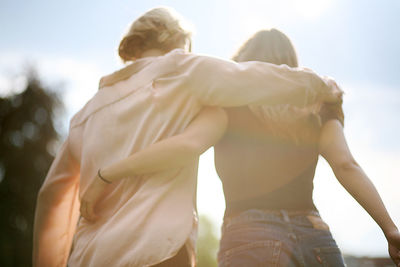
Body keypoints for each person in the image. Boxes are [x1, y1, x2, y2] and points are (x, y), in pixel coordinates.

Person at [32, 7, 342, 267]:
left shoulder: (85, 115)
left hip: (91, 256)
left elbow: (52, 198)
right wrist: (322, 85)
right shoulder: (183, 70)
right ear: (179, 40)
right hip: (157, 251)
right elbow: (257, 78)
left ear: (133, 47)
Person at [213, 29, 400, 266]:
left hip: (251, 233)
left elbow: (190, 146)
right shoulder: (319, 106)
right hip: (314, 237)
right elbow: (346, 165)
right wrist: (390, 229)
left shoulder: (226, 102)